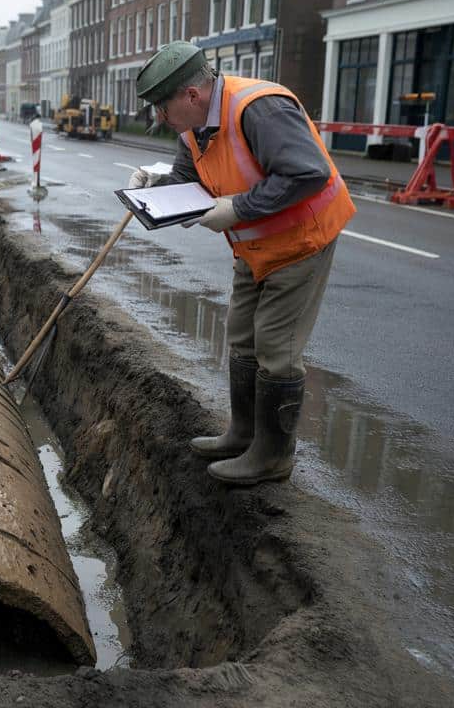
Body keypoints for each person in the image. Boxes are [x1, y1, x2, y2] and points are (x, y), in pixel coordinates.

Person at [128, 41, 355, 486]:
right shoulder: (192, 128)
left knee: (275, 345)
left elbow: (308, 173)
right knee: (241, 334)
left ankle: (272, 457)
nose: (159, 117)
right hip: (254, 246)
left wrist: (237, 208)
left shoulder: (260, 109)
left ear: (191, 95)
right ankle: (244, 434)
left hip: (302, 239)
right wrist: (151, 187)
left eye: (162, 107)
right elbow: (188, 181)